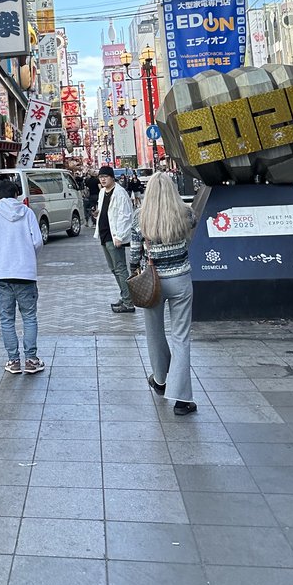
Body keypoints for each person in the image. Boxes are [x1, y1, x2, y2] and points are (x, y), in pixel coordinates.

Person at [130, 173, 197, 416]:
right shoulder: (184, 214)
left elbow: (134, 252)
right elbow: (193, 223)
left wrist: (134, 271)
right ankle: (181, 400)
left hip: (153, 282)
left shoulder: (140, 217)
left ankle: (160, 380)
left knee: (154, 333)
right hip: (180, 280)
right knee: (181, 337)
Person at [0, 178, 45, 375]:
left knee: (6, 319)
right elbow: (38, 241)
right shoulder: (27, 212)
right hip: (25, 273)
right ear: (17, 194)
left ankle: (13, 361)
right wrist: (27, 257)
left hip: (1, 274)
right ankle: (31, 360)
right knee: (29, 317)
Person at [94, 165, 135, 313]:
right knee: (114, 269)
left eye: (105, 176)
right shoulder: (102, 192)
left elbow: (126, 216)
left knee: (120, 268)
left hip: (115, 235)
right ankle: (125, 296)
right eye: (101, 177)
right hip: (105, 234)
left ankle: (129, 302)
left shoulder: (120, 193)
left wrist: (120, 236)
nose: (103, 179)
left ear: (112, 177)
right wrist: (98, 213)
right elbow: (105, 210)